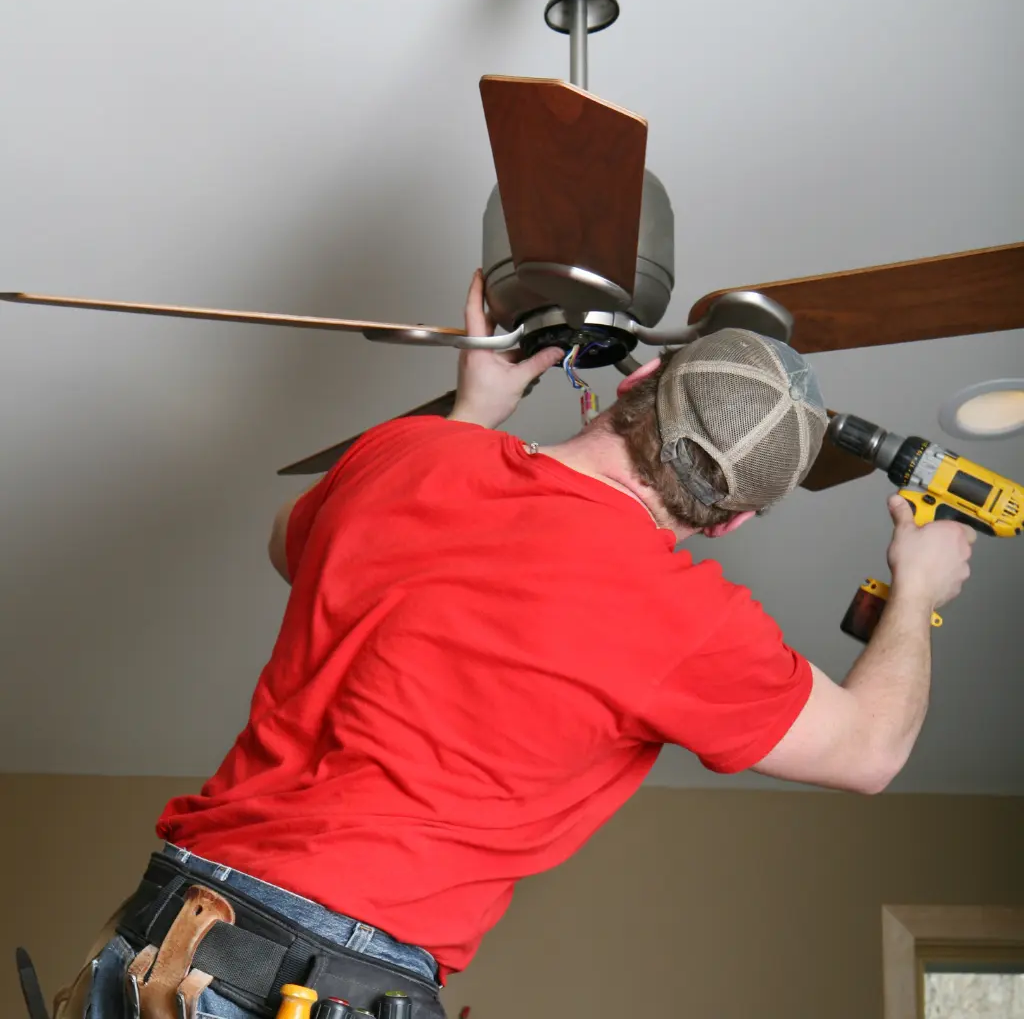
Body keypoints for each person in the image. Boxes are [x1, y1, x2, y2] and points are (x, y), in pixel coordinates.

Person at [48, 271, 975, 1019]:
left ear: (636, 383)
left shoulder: (405, 455)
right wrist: (919, 588)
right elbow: (870, 751)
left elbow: (296, 547)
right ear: (730, 524)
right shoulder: (688, 620)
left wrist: (471, 409)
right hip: (320, 969)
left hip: (160, 931)